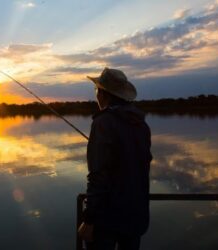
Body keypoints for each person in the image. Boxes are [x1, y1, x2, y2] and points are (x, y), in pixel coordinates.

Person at [78, 68, 152, 250]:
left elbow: (98, 175)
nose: (96, 95)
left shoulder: (102, 123)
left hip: (107, 219)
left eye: (96, 91)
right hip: (136, 215)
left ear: (102, 94)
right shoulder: (141, 124)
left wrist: (89, 219)